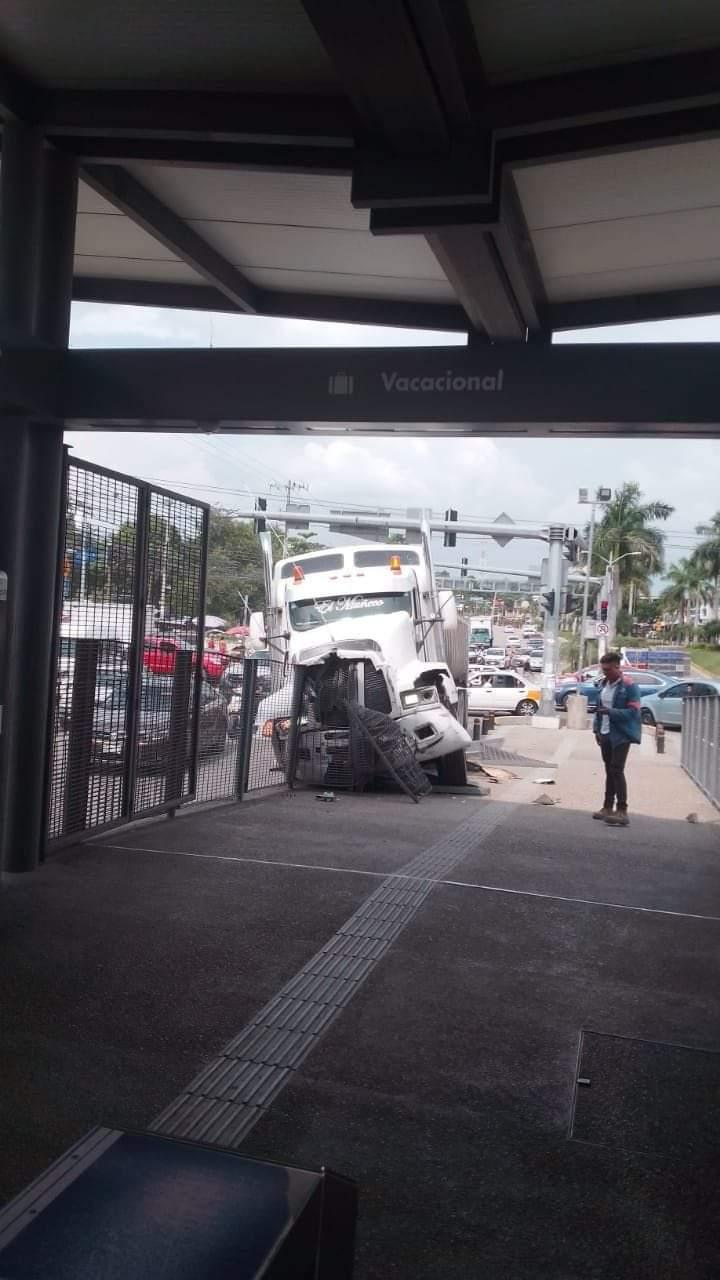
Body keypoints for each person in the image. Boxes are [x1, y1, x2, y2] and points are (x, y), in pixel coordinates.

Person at [592, 650, 642, 827]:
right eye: (603, 669)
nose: (605, 672)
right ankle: (607, 807)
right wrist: (596, 730)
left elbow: (634, 712)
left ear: (617, 667)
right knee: (609, 770)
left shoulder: (629, 686)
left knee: (617, 769)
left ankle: (622, 811)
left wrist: (611, 712)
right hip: (605, 733)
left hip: (621, 734)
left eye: (608, 669)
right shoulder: (604, 684)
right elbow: (599, 709)